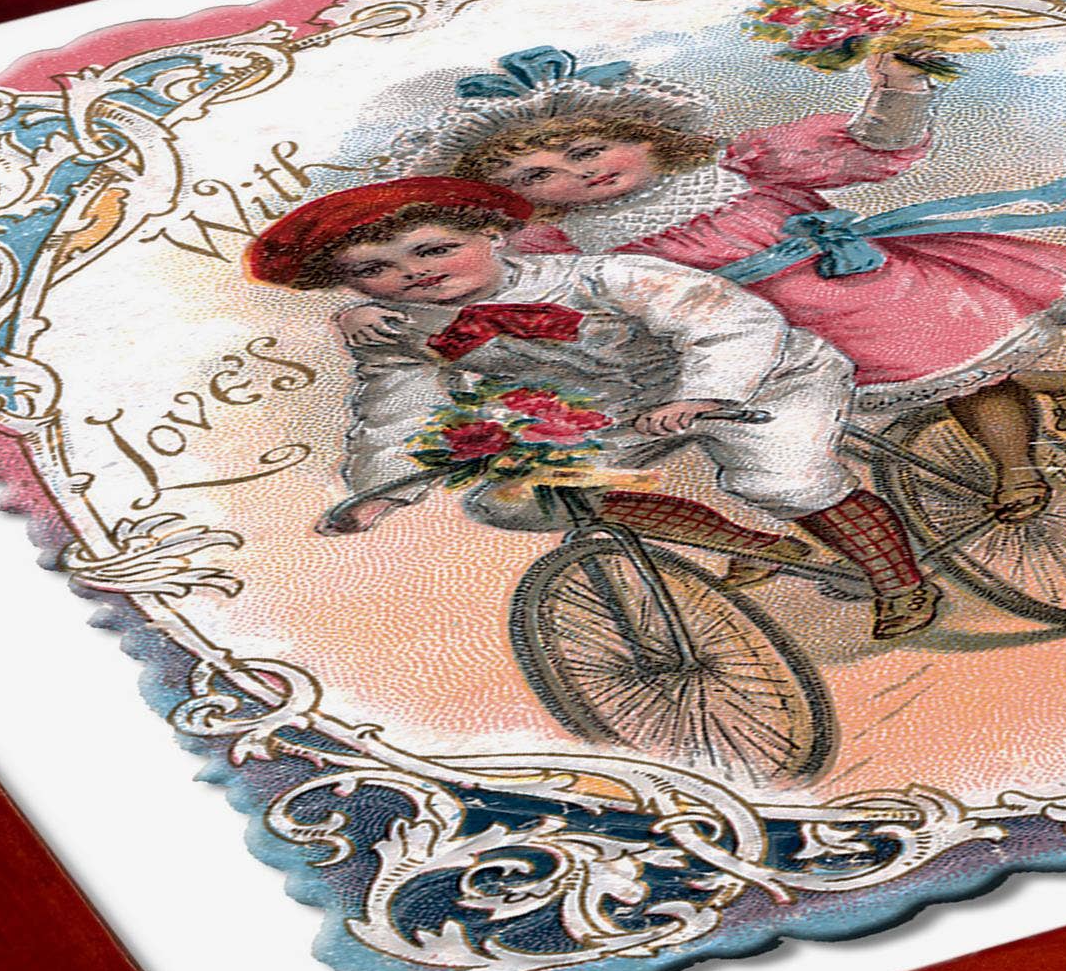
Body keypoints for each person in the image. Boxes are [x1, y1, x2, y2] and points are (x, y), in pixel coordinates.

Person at [430, 42, 1066, 521]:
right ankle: (1065, 384)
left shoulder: (739, 166)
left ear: (649, 134)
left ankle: (1016, 469)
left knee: (954, 372)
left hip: (855, 292)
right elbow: (523, 284)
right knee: (808, 416)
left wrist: (899, 88)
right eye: (537, 176)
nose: (578, 175)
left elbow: (870, 146)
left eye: (590, 151)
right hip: (744, 335)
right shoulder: (560, 238)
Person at [241, 179, 947, 637]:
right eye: (375, 270)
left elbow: (726, 321)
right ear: (348, 286)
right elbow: (396, 405)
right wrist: (380, 493)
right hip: (610, 409)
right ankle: (761, 548)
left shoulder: (600, 276)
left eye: (435, 249)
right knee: (518, 496)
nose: (413, 273)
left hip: (758, 376)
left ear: (492, 236)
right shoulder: (401, 329)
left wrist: (702, 393)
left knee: (780, 478)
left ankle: (899, 581)